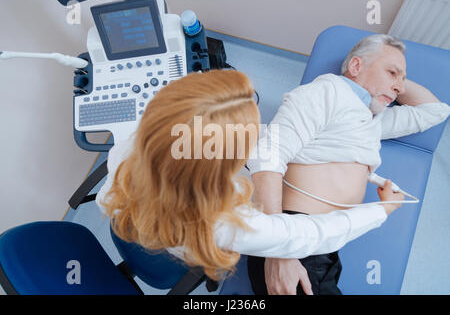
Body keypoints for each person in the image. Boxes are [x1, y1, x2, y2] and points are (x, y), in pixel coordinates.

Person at [95, 69, 403, 282]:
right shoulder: (226, 224)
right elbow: (308, 235)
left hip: (135, 223)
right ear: (220, 167)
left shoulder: (133, 145)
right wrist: (380, 211)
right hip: (176, 243)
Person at [246, 34, 450, 295]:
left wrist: (393, 80)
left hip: (324, 248)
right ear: (355, 67)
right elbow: (267, 154)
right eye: (392, 72)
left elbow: (436, 111)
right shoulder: (328, 91)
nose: (399, 87)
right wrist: (280, 251)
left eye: (401, 78)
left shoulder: (372, 120)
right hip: (293, 236)